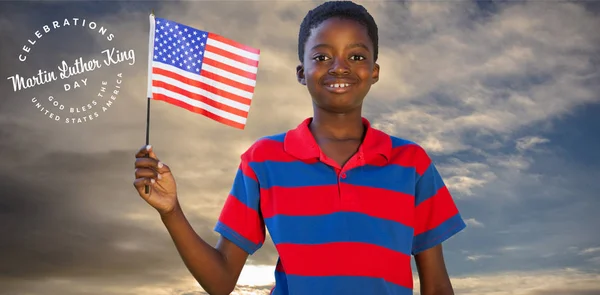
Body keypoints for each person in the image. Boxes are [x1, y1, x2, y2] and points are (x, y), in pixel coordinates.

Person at [133, 1, 466, 294]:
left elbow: (436, 286)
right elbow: (220, 281)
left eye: (356, 55)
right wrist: (171, 212)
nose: (340, 67)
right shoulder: (263, 159)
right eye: (322, 56)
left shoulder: (412, 164)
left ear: (374, 71)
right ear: (301, 72)